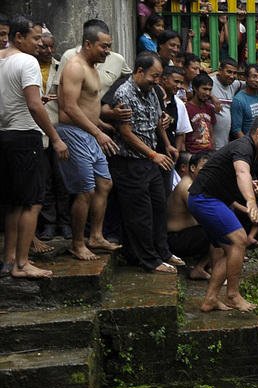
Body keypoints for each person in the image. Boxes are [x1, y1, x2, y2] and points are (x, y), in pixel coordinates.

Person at [188, 114, 258, 312]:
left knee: (229, 249)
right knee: (239, 239)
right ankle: (232, 295)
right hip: (204, 198)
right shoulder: (243, 147)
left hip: (214, 201)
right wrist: (250, 201)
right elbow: (241, 172)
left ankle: (210, 300)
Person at [0, 14, 69, 277]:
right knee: (30, 202)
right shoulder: (27, 61)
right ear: (19, 37)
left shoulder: (2, 58)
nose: (40, 43)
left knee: (14, 203)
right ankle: (22, 263)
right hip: (25, 135)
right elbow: (33, 104)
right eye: (36, 37)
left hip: (4, 135)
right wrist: (55, 137)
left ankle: (9, 260)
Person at [109, 51, 183, 273]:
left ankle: (162, 251)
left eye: (160, 76)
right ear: (140, 71)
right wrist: (153, 154)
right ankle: (149, 260)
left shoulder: (151, 91)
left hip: (150, 161)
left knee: (159, 207)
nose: (157, 81)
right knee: (139, 214)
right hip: (130, 162)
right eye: (154, 75)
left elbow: (157, 119)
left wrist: (167, 144)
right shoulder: (124, 94)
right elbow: (126, 135)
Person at [57, 19, 122, 260]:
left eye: (109, 46)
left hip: (90, 132)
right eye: (104, 46)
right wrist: (97, 132)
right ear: (88, 43)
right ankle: (77, 244)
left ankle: (95, 236)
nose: (108, 51)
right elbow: (69, 108)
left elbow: (88, 105)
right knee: (85, 191)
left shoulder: (92, 67)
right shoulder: (75, 67)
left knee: (104, 184)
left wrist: (100, 124)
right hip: (74, 133)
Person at [36, 29, 72, 244]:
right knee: (45, 180)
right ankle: (49, 223)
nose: (48, 51)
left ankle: (65, 222)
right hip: (37, 131)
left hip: (59, 130)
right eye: (43, 47)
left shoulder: (62, 67)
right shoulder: (28, 66)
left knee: (63, 179)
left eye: (51, 47)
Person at [167, 153, 221, 280]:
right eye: (204, 168)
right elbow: (206, 215)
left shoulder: (196, 184)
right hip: (175, 239)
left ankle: (201, 268)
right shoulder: (188, 186)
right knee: (219, 231)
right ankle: (216, 274)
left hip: (184, 235)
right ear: (192, 168)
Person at [158, 65, 192, 193]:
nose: (179, 86)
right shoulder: (153, 99)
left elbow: (180, 133)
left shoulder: (179, 105)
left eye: (181, 83)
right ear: (164, 80)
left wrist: (175, 156)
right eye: (176, 81)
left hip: (167, 158)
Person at [184, 73, 216, 154]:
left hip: (208, 154)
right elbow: (182, 137)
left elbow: (211, 134)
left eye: (210, 90)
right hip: (193, 154)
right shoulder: (186, 108)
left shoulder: (209, 108)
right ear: (195, 88)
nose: (208, 93)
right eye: (204, 89)